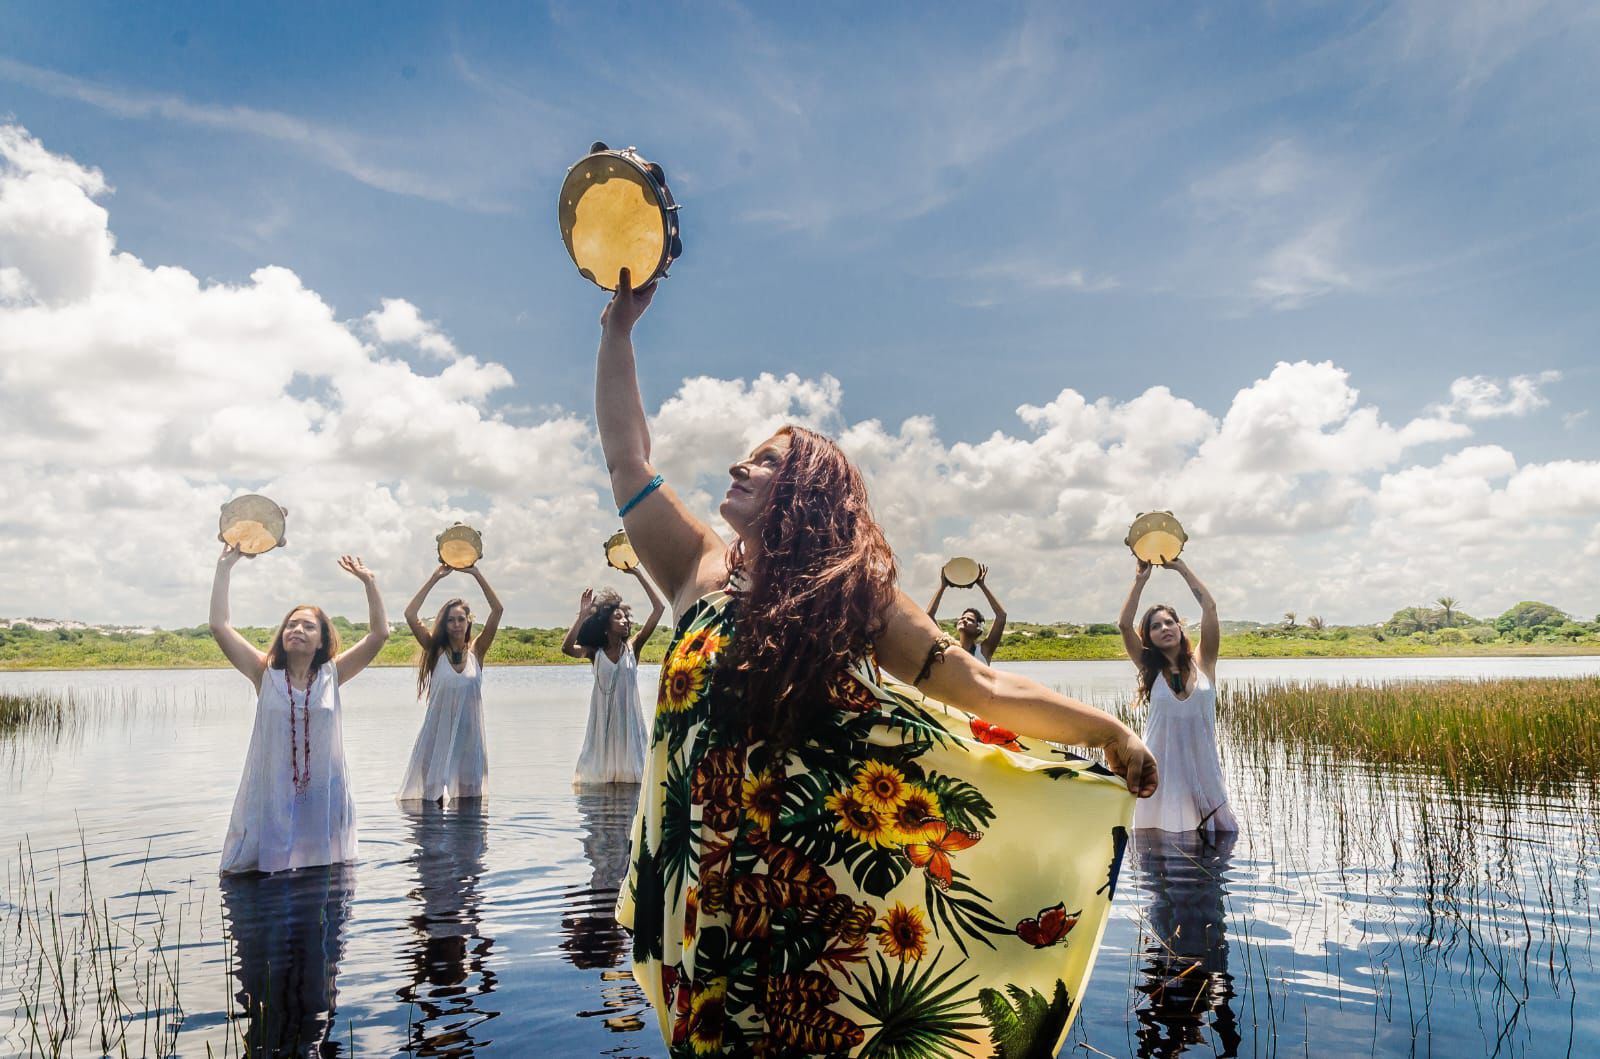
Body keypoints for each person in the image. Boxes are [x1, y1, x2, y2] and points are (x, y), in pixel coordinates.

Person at [596, 271, 1158, 1056]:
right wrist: (617, 332)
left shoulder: (852, 598)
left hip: (810, 914)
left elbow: (982, 684)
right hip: (707, 901)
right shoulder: (697, 568)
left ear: (804, 491)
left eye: (762, 462)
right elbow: (628, 460)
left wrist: (1109, 732)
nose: (737, 468)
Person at [210, 545, 389, 875]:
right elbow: (220, 626)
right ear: (282, 634)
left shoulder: (332, 674)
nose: (297, 630)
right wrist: (225, 568)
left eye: (308, 627)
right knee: (268, 872)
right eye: (292, 625)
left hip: (323, 791)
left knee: (323, 875)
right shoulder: (264, 673)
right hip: (274, 791)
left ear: (322, 640)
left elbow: (379, 635)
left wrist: (369, 583)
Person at [1118, 557, 1238, 834]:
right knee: (1155, 846)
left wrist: (1181, 568)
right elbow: (1124, 625)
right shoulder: (1149, 669)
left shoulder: (1205, 663)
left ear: (1180, 627)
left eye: (1169, 622)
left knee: (1217, 839)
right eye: (1156, 626)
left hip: (1204, 772)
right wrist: (1140, 581)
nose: (1164, 629)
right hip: (1161, 775)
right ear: (1148, 638)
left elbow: (1210, 607)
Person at [398, 563, 505, 803]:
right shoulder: (435, 651)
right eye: (451, 620)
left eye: (461, 619)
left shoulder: (477, 651)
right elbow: (410, 615)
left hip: (469, 738)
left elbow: (497, 610)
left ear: (468, 622)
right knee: (428, 803)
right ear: (444, 624)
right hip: (436, 736)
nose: (456, 624)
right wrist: (434, 577)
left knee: (470, 804)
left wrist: (476, 573)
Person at [562, 565, 665, 785]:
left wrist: (638, 574)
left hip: (628, 728)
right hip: (603, 729)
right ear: (606, 624)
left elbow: (659, 609)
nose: (625, 621)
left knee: (633, 781)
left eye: (626, 617)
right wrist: (581, 615)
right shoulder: (594, 653)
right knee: (599, 781)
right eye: (619, 618)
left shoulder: (633, 648)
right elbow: (567, 648)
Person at [925, 563, 1007, 664]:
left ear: (979, 628)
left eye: (970, 620)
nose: (964, 620)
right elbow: (929, 616)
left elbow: (1001, 616)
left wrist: (982, 585)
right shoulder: (949, 646)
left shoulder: (984, 650)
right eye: (962, 618)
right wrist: (943, 586)